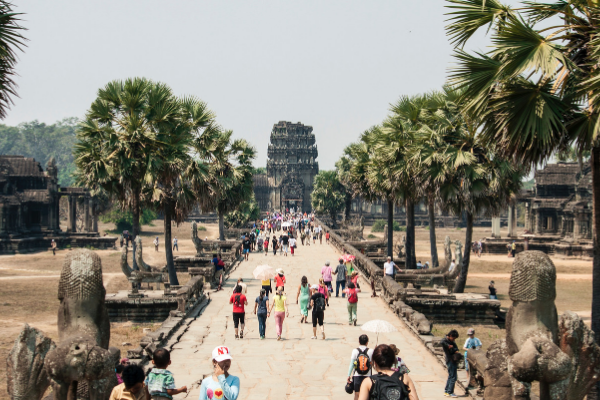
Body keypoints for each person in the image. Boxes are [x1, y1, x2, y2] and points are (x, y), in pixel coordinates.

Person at [347, 334, 374, 400]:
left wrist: (348, 375)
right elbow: (373, 363)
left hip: (357, 376)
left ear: (359, 341)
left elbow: (352, 364)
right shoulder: (371, 351)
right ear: (367, 342)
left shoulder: (355, 351)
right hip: (367, 376)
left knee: (357, 394)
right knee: (367, 394)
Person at [440, 329, 460, 397]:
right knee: (453, 377)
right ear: (450, 335)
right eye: (453, 338)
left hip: (452, 360)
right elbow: (442, 342)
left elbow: (456, 349)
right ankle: (450, 392)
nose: (454, 340)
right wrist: (449, 346)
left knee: (450, 376)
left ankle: (446, 391)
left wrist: (453, 349)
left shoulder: (452, 342)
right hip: (450, 360)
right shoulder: (445, 341)